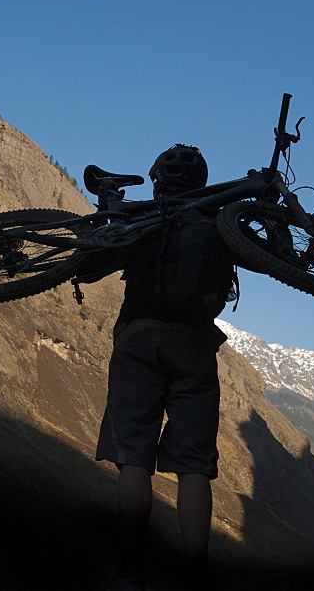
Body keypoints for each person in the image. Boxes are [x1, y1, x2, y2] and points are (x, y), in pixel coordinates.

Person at [96, 144, 236, 591]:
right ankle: (196, 576)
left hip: (138, 341)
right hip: (195, 349)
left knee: (133, 458)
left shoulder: (144, 218)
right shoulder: (219, 223)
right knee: (194, 467)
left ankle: (130, 571)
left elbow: (94, 259)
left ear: (157, 179)